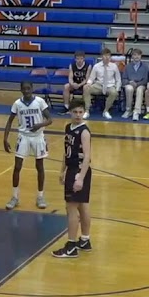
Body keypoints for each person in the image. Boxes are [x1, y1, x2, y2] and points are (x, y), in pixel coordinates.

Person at [53, 98, 93, 258]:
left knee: (71, 209)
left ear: (84, 112)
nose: (78, 115)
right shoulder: (68, 127)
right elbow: (66, 151)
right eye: (75, 112)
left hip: (79, 171)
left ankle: (71, 245)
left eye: (80, 112)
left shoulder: (84, 131)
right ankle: (85, 240)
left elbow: (88, 156)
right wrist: (63, 170)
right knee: (82, 206)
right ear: (70, 112)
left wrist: (80, 178)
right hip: (71, 169)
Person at [4, 81, 53, 210]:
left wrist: (39, 125)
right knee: (17, 167)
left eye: (28, 88)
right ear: (20, 90)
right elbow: (9, 121)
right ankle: (14, 197)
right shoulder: (17, 104)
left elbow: (50, 120)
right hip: (23, 136)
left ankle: (40, 196)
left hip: (38, 137)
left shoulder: (40, 102)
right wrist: (5, 138)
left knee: (40, 166)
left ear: (32, 89)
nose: (26, 91)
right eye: (24, 89)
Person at [87, 47, 122, 118]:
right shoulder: (96, 66)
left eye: (108, 56)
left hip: (110, 86)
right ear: (101, 57)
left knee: (114, 92)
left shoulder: (114, 66)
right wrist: (88, 84)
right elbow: (91, 78)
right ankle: (86, 111)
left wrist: (117, 88)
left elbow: (118, 79)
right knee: (86, 88)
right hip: (99, 85)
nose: (107, 57)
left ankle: (106, 111)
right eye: (105, 56)